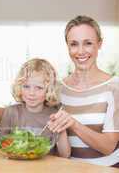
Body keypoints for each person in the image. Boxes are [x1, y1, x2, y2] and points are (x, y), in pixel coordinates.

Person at [47, 15, 119, 167]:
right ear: (67, 46)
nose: (80, 51)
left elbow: (108, 147)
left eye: (88, 43)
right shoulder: (58, 89)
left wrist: (73, 123)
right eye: (73, 44)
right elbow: (29, 111)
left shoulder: (115, 87)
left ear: (99, 44)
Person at [0, 58, 71, 158]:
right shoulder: (11, 112)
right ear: (19, 87)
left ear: (49, 90)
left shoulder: (54, 116)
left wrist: (60, 128)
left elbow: (65, 155)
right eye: (26, 86)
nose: (31, 93)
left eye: (39, 88)